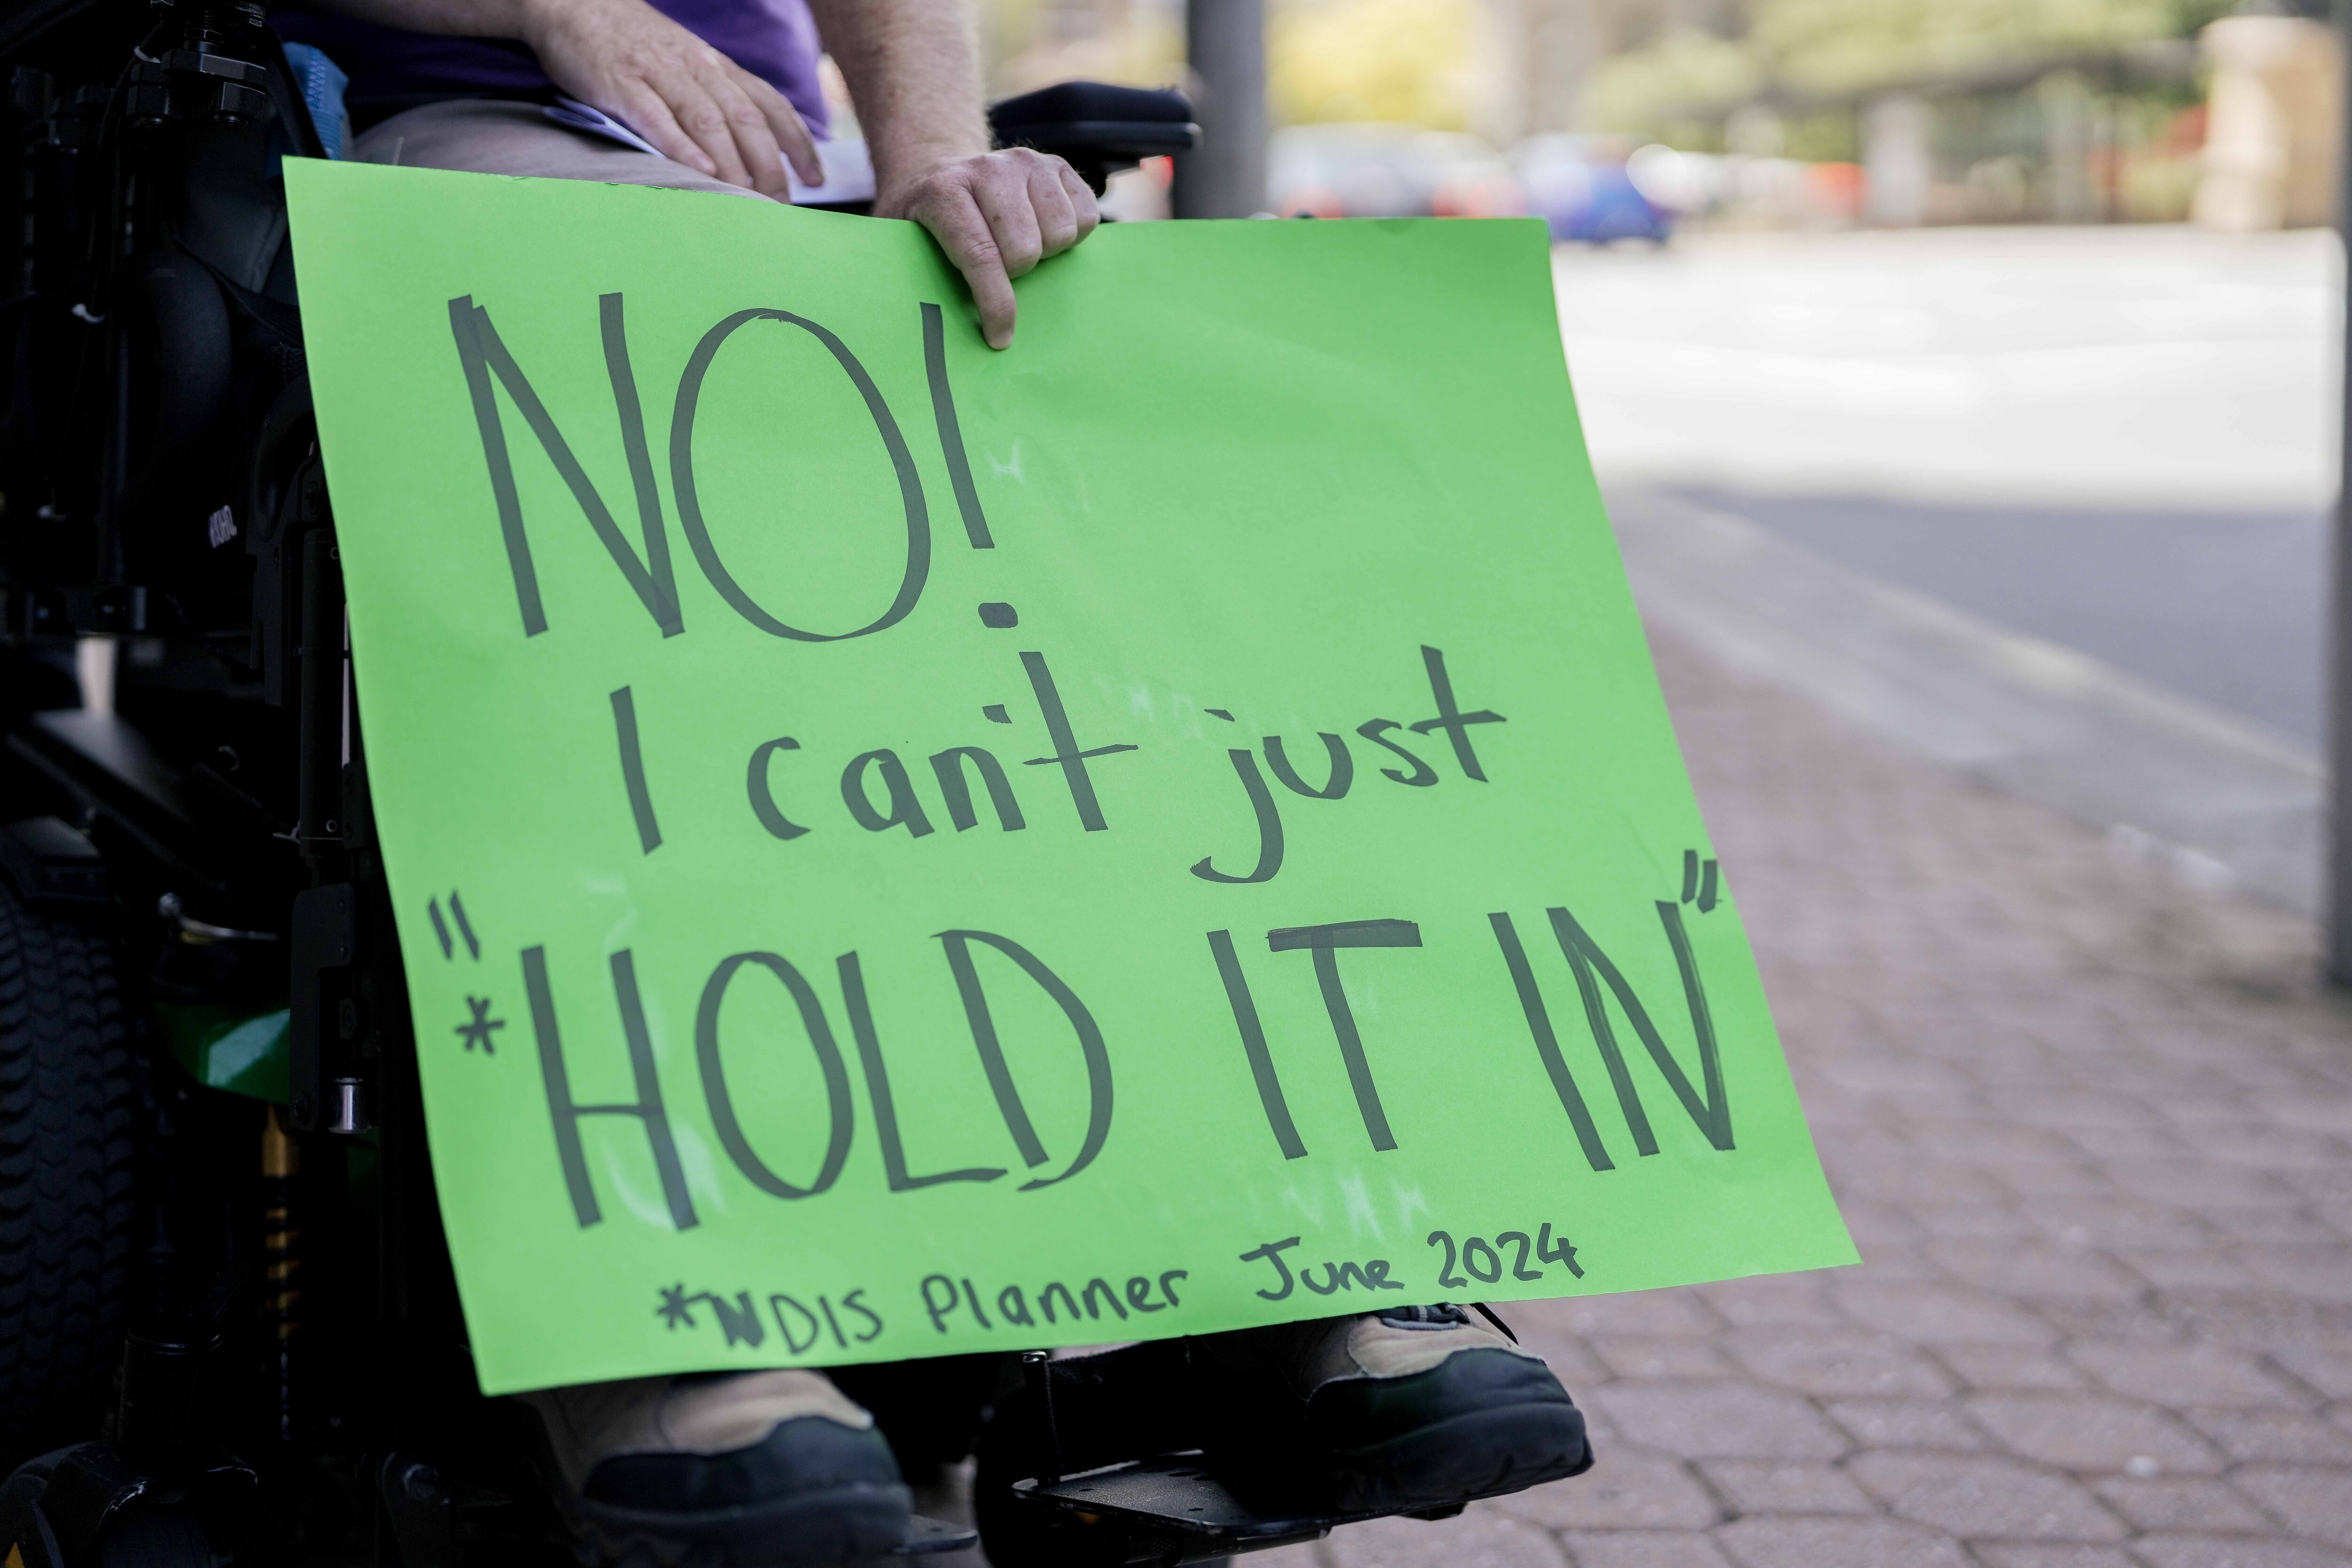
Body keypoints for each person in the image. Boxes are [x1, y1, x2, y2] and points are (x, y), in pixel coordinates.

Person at [267, 1, 1591, 1560]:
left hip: (756, 161)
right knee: (737, 428)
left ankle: (1295, 1247)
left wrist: (939, 161)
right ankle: (647, 1312)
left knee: (1092, 405)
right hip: (430, 120)